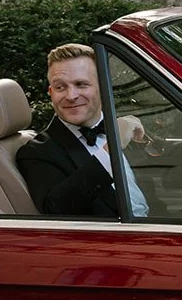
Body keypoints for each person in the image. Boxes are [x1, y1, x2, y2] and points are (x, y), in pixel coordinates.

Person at [15, 43, 148, 217]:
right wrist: (111, 150)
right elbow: (56, 208)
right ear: (50, 92)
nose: (71, 96)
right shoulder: (36, 152)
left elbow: (167, 156)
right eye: (60, 87)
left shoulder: (123, 126)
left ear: (103, 86)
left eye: (81, 84)